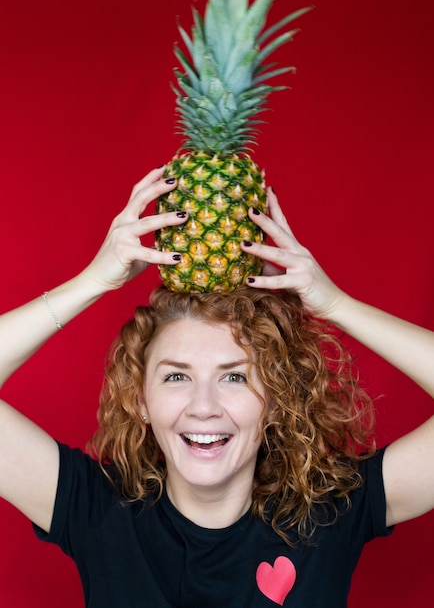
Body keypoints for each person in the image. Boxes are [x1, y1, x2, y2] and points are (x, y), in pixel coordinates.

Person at [0, 166, 433, 607]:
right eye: (176, 376)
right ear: (141, 400)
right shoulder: (95, 510)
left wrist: (336, 305)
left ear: (275, 400)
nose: (203, 407)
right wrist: (91, 283)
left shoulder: (329, 513)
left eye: (234, 376)